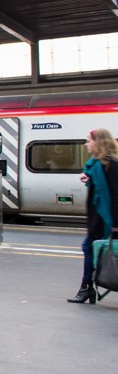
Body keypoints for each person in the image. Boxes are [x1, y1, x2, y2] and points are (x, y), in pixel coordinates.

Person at [68, 128, 118, 304]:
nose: (86, 145)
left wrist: (115, 223)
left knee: (90, 249)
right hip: (96, 218)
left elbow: (115, 194)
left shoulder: (111, 165)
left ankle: (86, 289)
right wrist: (87, 178)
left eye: (89, 141)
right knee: (93, 250)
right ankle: (87, 288)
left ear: (99, 142)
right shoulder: (95, 165)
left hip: (105, 219)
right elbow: (97, 186)